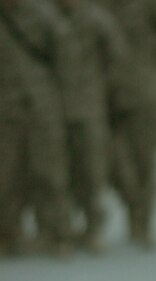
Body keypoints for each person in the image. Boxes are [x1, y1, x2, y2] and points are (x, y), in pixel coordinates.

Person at [96, 0, 156, 247]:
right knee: (107, 160)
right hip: (103, 92)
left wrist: (148, 65)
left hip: (140, 91)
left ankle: (141, 222)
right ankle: (130, 202)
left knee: (145, 160)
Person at [0, 0, 72, 256]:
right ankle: (8, 234)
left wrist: (68, 103)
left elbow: (66, 58)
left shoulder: (43, 15)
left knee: (50, 172)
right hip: (5, 112)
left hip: (43, 107)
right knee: (6, 175)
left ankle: (57, 234)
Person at [54, 0, 126, 252]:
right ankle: (61, 232)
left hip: (89, 107)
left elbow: (116, 56)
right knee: (55, 174)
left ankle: (93, 228)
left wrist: (105, 90)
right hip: (53, 109)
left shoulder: (96, 19)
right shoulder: (45, 17)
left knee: (92, 171)